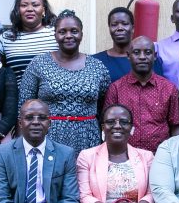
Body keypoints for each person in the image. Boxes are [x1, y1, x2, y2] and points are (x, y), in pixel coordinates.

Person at [19, 10, 111, 154]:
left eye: (74, 31)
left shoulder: (97, 67)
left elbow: (103, 107)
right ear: (55, 35)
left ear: (81, 34)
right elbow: (23, 106)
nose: (68, 36)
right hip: (48, 138)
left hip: (88, 139)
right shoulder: (39, 64)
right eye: (62, 31)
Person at [103, 35, 179, 153]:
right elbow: (107, 127)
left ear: (154, 56)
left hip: (159, 157)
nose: (142, 57)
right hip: (125, 158)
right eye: (136, 52)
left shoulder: (169, 89)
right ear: (128, 56)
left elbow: (175, 126)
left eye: (148, 52)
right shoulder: (116, 88)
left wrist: (173, 155)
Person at [0, 0, 59, 81]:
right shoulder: (6, 38)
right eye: (24, 5)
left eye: (35, 5)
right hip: (18, 95)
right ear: (17, 10)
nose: (30, 9)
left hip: (52, 95)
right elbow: (0, 73)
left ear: (43, 10)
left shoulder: (56, 34)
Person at [92, 7, 163, 83]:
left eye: (125, 24)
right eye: (114, 24)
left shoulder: (149, 59)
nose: (119, 28)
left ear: (133, 28)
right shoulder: (95, 61)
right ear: (109, 28)